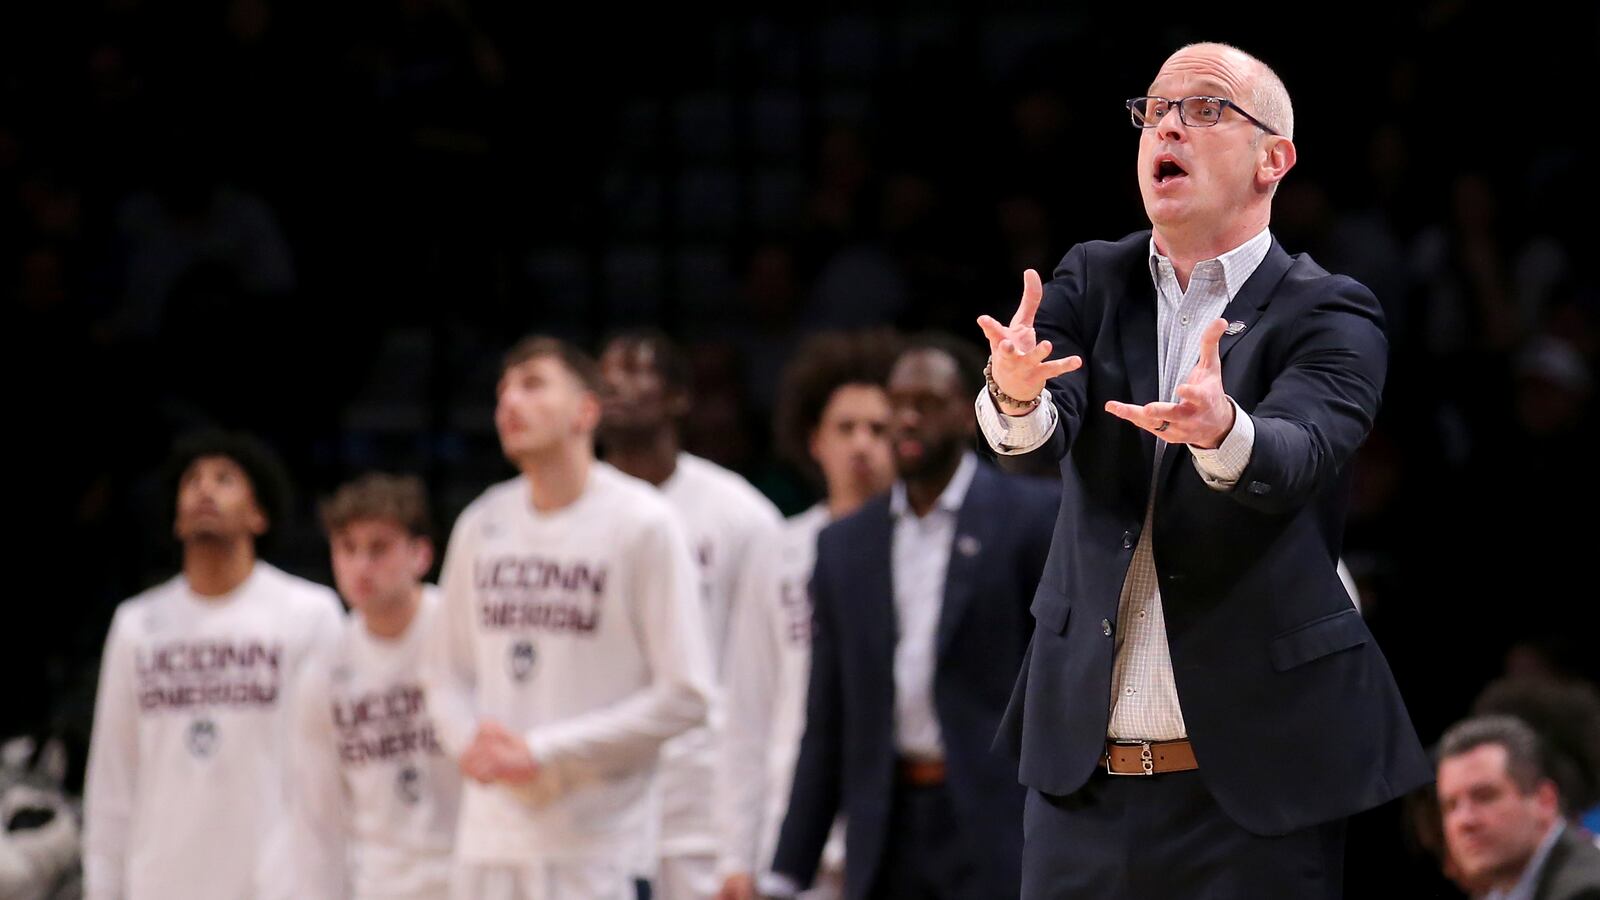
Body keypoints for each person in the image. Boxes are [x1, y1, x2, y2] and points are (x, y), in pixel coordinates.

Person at [974, 42, 1431, 897]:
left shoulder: (1329, 309)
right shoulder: (1091, 277)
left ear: (1274, 160)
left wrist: (1223, 429)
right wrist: (1013, 390)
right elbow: (1035, 435)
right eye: (1154, 110)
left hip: (1252, 792)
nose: (1169, 124)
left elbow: (1301, 453)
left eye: (1206, 108)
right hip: (1084, 785)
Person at [421, 336, 713, 900]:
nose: (509, 403)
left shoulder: (644, 524)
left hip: (598, 846)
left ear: (586, 410)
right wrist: (469, 746)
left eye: (532, 385)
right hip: (489, 841)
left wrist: (543, 749)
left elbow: (686, 693)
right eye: (502, 390)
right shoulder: (481, 523)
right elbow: (443, 672)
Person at [768, 338, 1058, 900]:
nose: (904, 418)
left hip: (995, 816)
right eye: (895, 402)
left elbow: (1059, 680)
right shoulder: (844, 545)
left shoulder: (1031, 518)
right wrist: (788, 867)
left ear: (968, 415)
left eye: (925, 403)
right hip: (886, 819)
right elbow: (827, 714)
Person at [83, 429, 344, 899]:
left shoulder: (311, 614)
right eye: (192, 481)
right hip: (160, 881)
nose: (204, 489)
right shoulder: (137, 625)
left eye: (224, 479)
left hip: (274, 881)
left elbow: (333, 773)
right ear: (177, 520)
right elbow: (111, 780)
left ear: (259, 513)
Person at [597, 330, 785, 899]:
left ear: (680, 397)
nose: (622, 389)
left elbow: (770, 670)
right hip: (594, 794)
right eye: (608, 378)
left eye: (640, 373)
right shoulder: (563, 510)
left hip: (702, 797)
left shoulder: (741, 515)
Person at [716, 331, 899, 900]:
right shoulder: (776, 551)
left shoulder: (928, 548)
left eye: (880, 428)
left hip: (900, 829)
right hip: (793, 828)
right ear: (814, 440)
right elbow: (748, 707)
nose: (862, 444)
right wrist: (735, 855)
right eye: (845, 428)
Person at [287, 473, 460, 899]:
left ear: (420, 554)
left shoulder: (462, 632)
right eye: (347, 548)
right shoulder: (322, 670)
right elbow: (318, 818)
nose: (360, 566)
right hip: (379, 885)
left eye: (379, 548)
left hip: (469, 877)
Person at [1437, 715, 1600, 900]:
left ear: (1545, 801)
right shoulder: (1502, 891)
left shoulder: (1586, 892)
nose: (1464, 820)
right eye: (1450, 806)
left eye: (1485, 797)